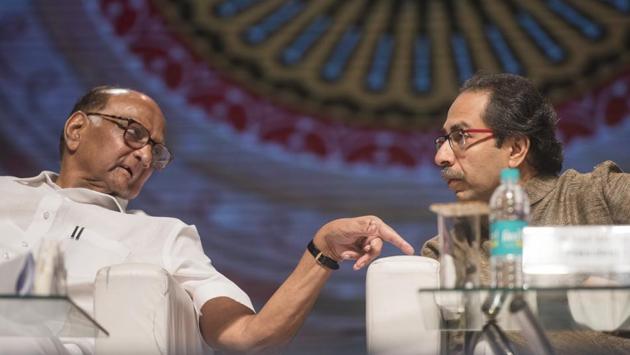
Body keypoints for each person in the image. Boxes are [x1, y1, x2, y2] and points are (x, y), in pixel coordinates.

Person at [0, 86, 414, 354]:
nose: (146, 156)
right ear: (76, 130)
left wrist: (321, 251)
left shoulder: (162, 236)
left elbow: (248, 335)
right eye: (134, 134)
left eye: (157, 152)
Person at [421, 72, 630, 354]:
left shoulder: (598, 194)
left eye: (461, 136)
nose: (441, 157)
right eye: (444, 139)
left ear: (516, 149)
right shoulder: (449, 247)